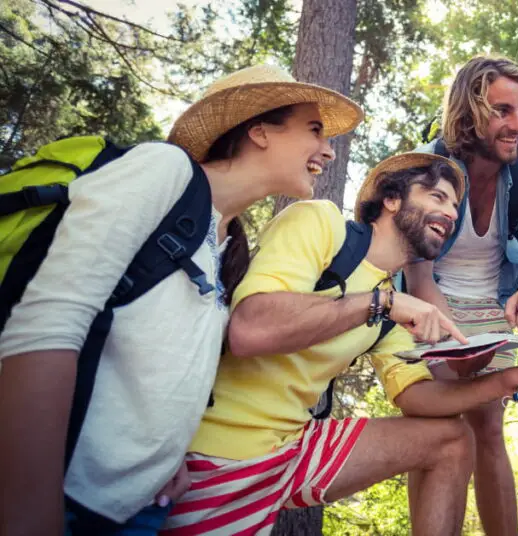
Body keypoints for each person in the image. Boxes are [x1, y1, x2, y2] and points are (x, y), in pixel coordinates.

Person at [0, 64, 361, 534]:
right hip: (62, 499)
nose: (329, 150)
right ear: (259, 131)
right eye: (314, 130)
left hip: (142, 507)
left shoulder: (231, 244)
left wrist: (169, 456)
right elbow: (46, 325)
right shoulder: (163, 171)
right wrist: (30, 512)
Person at [162, 152, 518, 535]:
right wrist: (379, 303)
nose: (453, 213)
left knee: (452, 441)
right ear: (390, 199)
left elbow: (417, 397)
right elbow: (250, 329)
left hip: (296, 448)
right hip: (217, 451)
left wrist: (507, 381)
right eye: (437, 196)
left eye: (456, 205)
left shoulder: (393, 302)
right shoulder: (320, 224)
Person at [404, 55, 518, 535]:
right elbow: (418, 275)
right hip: (430, 301)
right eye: (501, 111)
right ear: (469, 113)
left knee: (489, 429)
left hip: (492, 303)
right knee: (437, 427)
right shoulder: (425, 170)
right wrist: (456, 348)